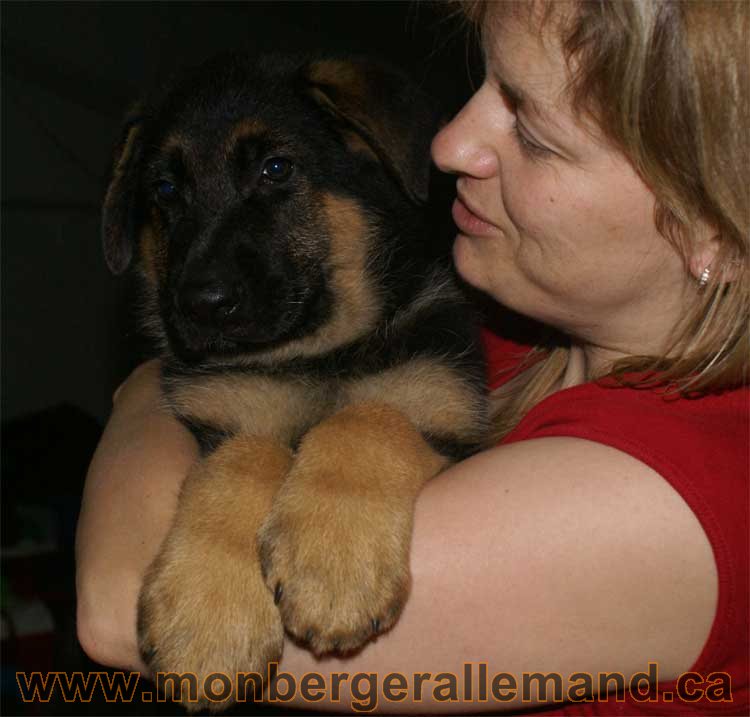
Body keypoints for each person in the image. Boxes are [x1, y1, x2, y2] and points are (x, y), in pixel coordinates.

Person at [75, 0, 748, 713]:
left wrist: (154, 396)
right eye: (484, 83)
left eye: (533, 130)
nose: (450, 142)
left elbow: (120, 606)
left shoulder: (677, 496)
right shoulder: (508, 341)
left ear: (711, 225)